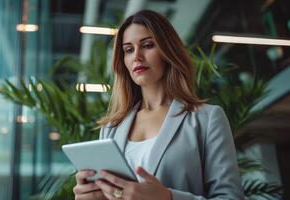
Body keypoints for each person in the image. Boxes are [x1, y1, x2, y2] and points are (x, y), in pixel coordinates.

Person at [73, 10, 244, 200]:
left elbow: (231, 197)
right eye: (128, 50)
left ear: (167, 50)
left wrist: (168, 197)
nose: (136, 56)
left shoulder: (207, 119)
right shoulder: (111, 129)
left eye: (147, 45)